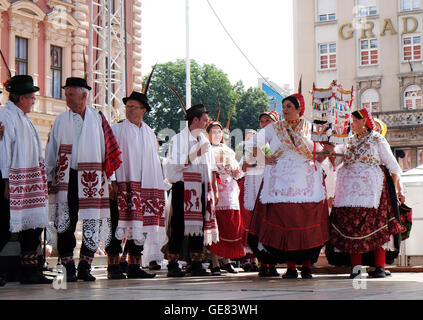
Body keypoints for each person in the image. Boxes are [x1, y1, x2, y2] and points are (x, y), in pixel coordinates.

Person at [246, 88, 330, 279]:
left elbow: (319, 155)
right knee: (285, 222)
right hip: (280, 182)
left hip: (306, 180)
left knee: (306, 221)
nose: (285, 110)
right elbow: (251, 146)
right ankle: (291, 267)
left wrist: (327, 151)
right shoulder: (274, 128)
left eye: (289, 106)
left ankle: (307, 266)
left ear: (299, 109)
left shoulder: (312, 128)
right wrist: (264, 158)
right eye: (283, 107)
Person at [45, 77, 122, 282]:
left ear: (84, 95)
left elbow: (109, 151)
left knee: (92, 220)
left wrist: (111, 178)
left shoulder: (98, 118)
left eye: (71, 94)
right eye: (66, 93)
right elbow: (52, 149)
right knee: (66, 222)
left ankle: (85, 266)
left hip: (94, 177)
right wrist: (48, 175)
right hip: (67, 177)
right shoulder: (61, 120)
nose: (67, 98)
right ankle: (68, 266)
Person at [327, 108, 406, 278]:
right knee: (352, 229)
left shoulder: (377, 139)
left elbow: (393, 166)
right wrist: (330, 150)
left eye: (355, 121)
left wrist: (391, 192)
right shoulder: (348, 141)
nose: (352, 124)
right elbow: (336, 162)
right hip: (348, 194)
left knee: (377, 228)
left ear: (364, 122)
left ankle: (379, 266)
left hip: (373, 191)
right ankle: (356, 268)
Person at [105, 90, 166, 279]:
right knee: (116, 224)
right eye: (127, 106)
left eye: (133, 107)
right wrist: (112, 180)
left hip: (144, 187)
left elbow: (153, 161)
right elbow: (109, 157)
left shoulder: (149, 133)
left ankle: (134, 266)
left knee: (139, 225)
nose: (128, 110)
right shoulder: (117, 130)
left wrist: (157, 187)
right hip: (122, 185)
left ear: (143, 110)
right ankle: (113, 267)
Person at [0, 75, 52, 284]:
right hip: (12, 181)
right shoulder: (6, 117)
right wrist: (6, 181)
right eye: (31, 97)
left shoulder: (24, 118)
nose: (34, 101)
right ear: (21, 97)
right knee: (4, 226)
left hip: (28, 183)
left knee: (33, 226)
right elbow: (3, 150)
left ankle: (30, 271)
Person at [163, 103, 219, 277]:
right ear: (195, 120)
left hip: (201, 187)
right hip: (183, 186)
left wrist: (213, 189)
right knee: (178, 224)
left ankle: (196, 262)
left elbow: (210, 168)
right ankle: (173, 263)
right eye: (204, 120)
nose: (207, 123)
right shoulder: (179, 139)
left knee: (199, 225)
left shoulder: (204, 141)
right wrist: (196, 152)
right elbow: (173, 167)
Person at [239, 110, 279, 276]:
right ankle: (263, 262)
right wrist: (257, 162)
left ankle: (273, 263)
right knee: (259, 225)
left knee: (273, 225)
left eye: (267, 120)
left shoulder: (279, 141)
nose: (264, 124)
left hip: (275, 187)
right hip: (257, 186)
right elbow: (243, 167)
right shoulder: (254, 143)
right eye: (262, 121)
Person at [206, 120, 244, 275]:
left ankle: (226, 260)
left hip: (229, 190)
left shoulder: (228, 150)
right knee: (217, 224)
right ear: (207, 134)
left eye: (219, 132)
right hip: (214, 189)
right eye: (213, 131)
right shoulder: (206, 149)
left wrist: (235, 172)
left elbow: (237, 170)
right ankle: (214, 262)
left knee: (231, 224)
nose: (217, 134)